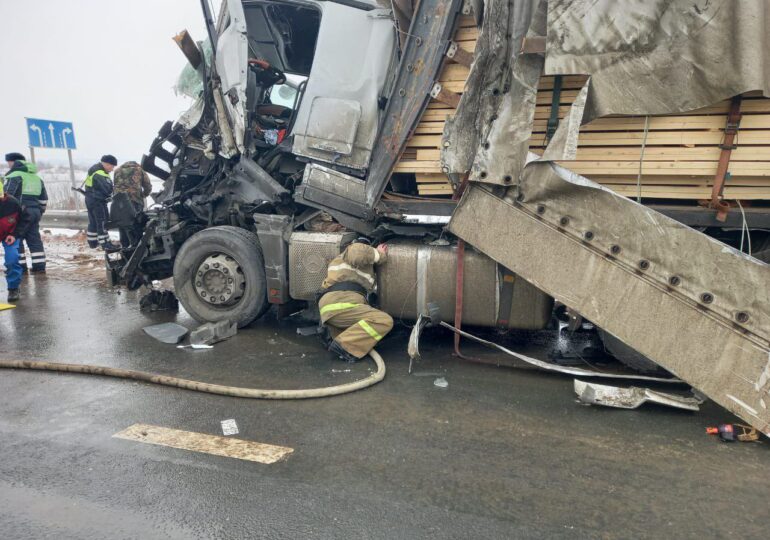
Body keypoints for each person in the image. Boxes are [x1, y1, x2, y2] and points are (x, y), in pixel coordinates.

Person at [317, 237, 393, 362]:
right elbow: (358, 253)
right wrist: (379, 254)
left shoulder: (353, 268)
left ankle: (337, 339)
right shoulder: (354, 248)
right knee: (384, 321)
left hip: (334, 305)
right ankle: (344, 347)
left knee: (362, 331)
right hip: (340, 303)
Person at [3, 152, 48, 273]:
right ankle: (39, 267)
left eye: (9, 162)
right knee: (34, 239)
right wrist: (40, 211)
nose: (8, 165)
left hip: (20, 213)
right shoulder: (36, 178)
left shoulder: (14, 175)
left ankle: (20, 267)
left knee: (16, 237)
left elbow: (8, 196)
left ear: (14, 162)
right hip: (35, 212)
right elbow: (43, 199)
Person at [0, 181, 31, 302]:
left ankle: (13, 288)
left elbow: (25, 219)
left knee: (12, 258)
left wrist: (14, 234)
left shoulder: (13, 203)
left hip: (10, 234)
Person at [112, 160, 152, 247]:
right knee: (136, 224)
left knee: (122, 225)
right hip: (134, 201)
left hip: (119, 202)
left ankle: (125, 247)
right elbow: (148, 186)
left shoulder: (117, 170)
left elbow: (115, 185)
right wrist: (144, 195)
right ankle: (136, 247)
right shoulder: (139, 170)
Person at [84, 155, 118, 250]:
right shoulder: (100, 173)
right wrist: (112, 192)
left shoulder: (95, 169)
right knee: (102, 222)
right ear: (107, 164)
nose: (112, 169)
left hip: (90, 199)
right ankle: (105, 244)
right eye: (112, 166)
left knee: (93, 222)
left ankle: (92, 242)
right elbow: (107, 189)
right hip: (97, 201)